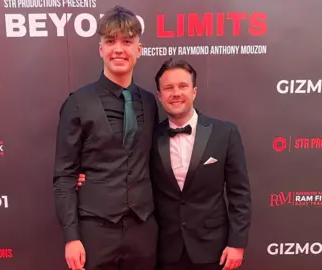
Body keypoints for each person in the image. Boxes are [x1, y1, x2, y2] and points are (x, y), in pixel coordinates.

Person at [78, 58, 252, 270]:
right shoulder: (148, 137)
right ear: (159, 97)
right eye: (168, 88)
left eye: (182, 86)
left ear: (194, 91)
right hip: (165, 251)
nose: (176, 93)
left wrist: (237, 243)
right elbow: (125, 169)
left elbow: (239, 194)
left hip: (213, 250)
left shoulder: (225, 133)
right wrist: (85, 179)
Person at [53, 5, 158, 270]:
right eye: (110, 42)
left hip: (143, 229)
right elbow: (64, 175)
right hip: (95, 231)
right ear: (101, 50)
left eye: (127, 42)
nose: (118, 49)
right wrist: (71, 237)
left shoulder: (149, 102)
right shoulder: (77, 102)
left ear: (139, 49)